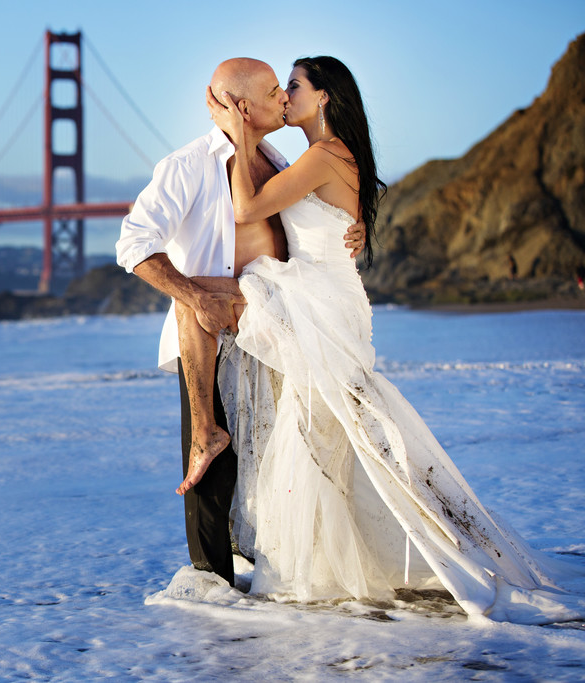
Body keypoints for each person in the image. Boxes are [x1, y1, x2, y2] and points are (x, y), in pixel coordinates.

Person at [190, 55, 585, 624]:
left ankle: (317, 572)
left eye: (293, 87)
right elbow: (327, 216)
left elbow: (247, 208)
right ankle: (331, 562)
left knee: (319, 426)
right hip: (332, 297)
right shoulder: (331, 156)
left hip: (322, 301)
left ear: (324, 97)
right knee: (327, 427)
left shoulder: (324, 155)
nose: (283, 97)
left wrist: (233, 132)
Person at [115, 58, 365, 587]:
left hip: (278, 328)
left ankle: (270, 594)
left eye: (287, 88)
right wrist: (193, 295)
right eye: (276, 91)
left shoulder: (276, 162)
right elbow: (133, 243)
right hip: (213, 330)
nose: (283, 98)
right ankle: (212, 604)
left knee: (277, 466)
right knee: (213, 472)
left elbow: (314, 222)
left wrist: (354, 227)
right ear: (244, 107)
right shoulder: (189, 165)